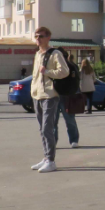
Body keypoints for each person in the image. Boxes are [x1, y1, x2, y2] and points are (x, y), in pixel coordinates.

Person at [30, 27, 70, 173]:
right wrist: (32, 91)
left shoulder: (55, 53)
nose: (38, 39)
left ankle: (51, 160)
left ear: (48, 37)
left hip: (50, 95)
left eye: (40, 36)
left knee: (48, 128)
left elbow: (64, 71)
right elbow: (35, 75)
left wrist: (47, 72)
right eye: (36, 36)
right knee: (42, 129)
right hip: (37, 94)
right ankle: (46, 158)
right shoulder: (37, 54)